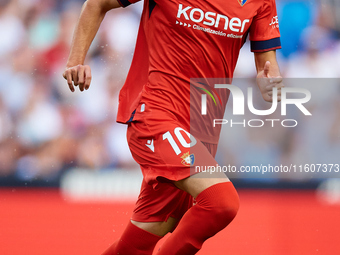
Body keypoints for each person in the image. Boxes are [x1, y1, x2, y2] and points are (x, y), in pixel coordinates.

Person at [63, 0, 283, 254]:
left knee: (137, 244)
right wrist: (75, 61)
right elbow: (98, 3)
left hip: (200, 131)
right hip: (155, 115)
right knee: (222, 202)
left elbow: (267, 66)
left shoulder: (261, 2)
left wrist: (269, 83)